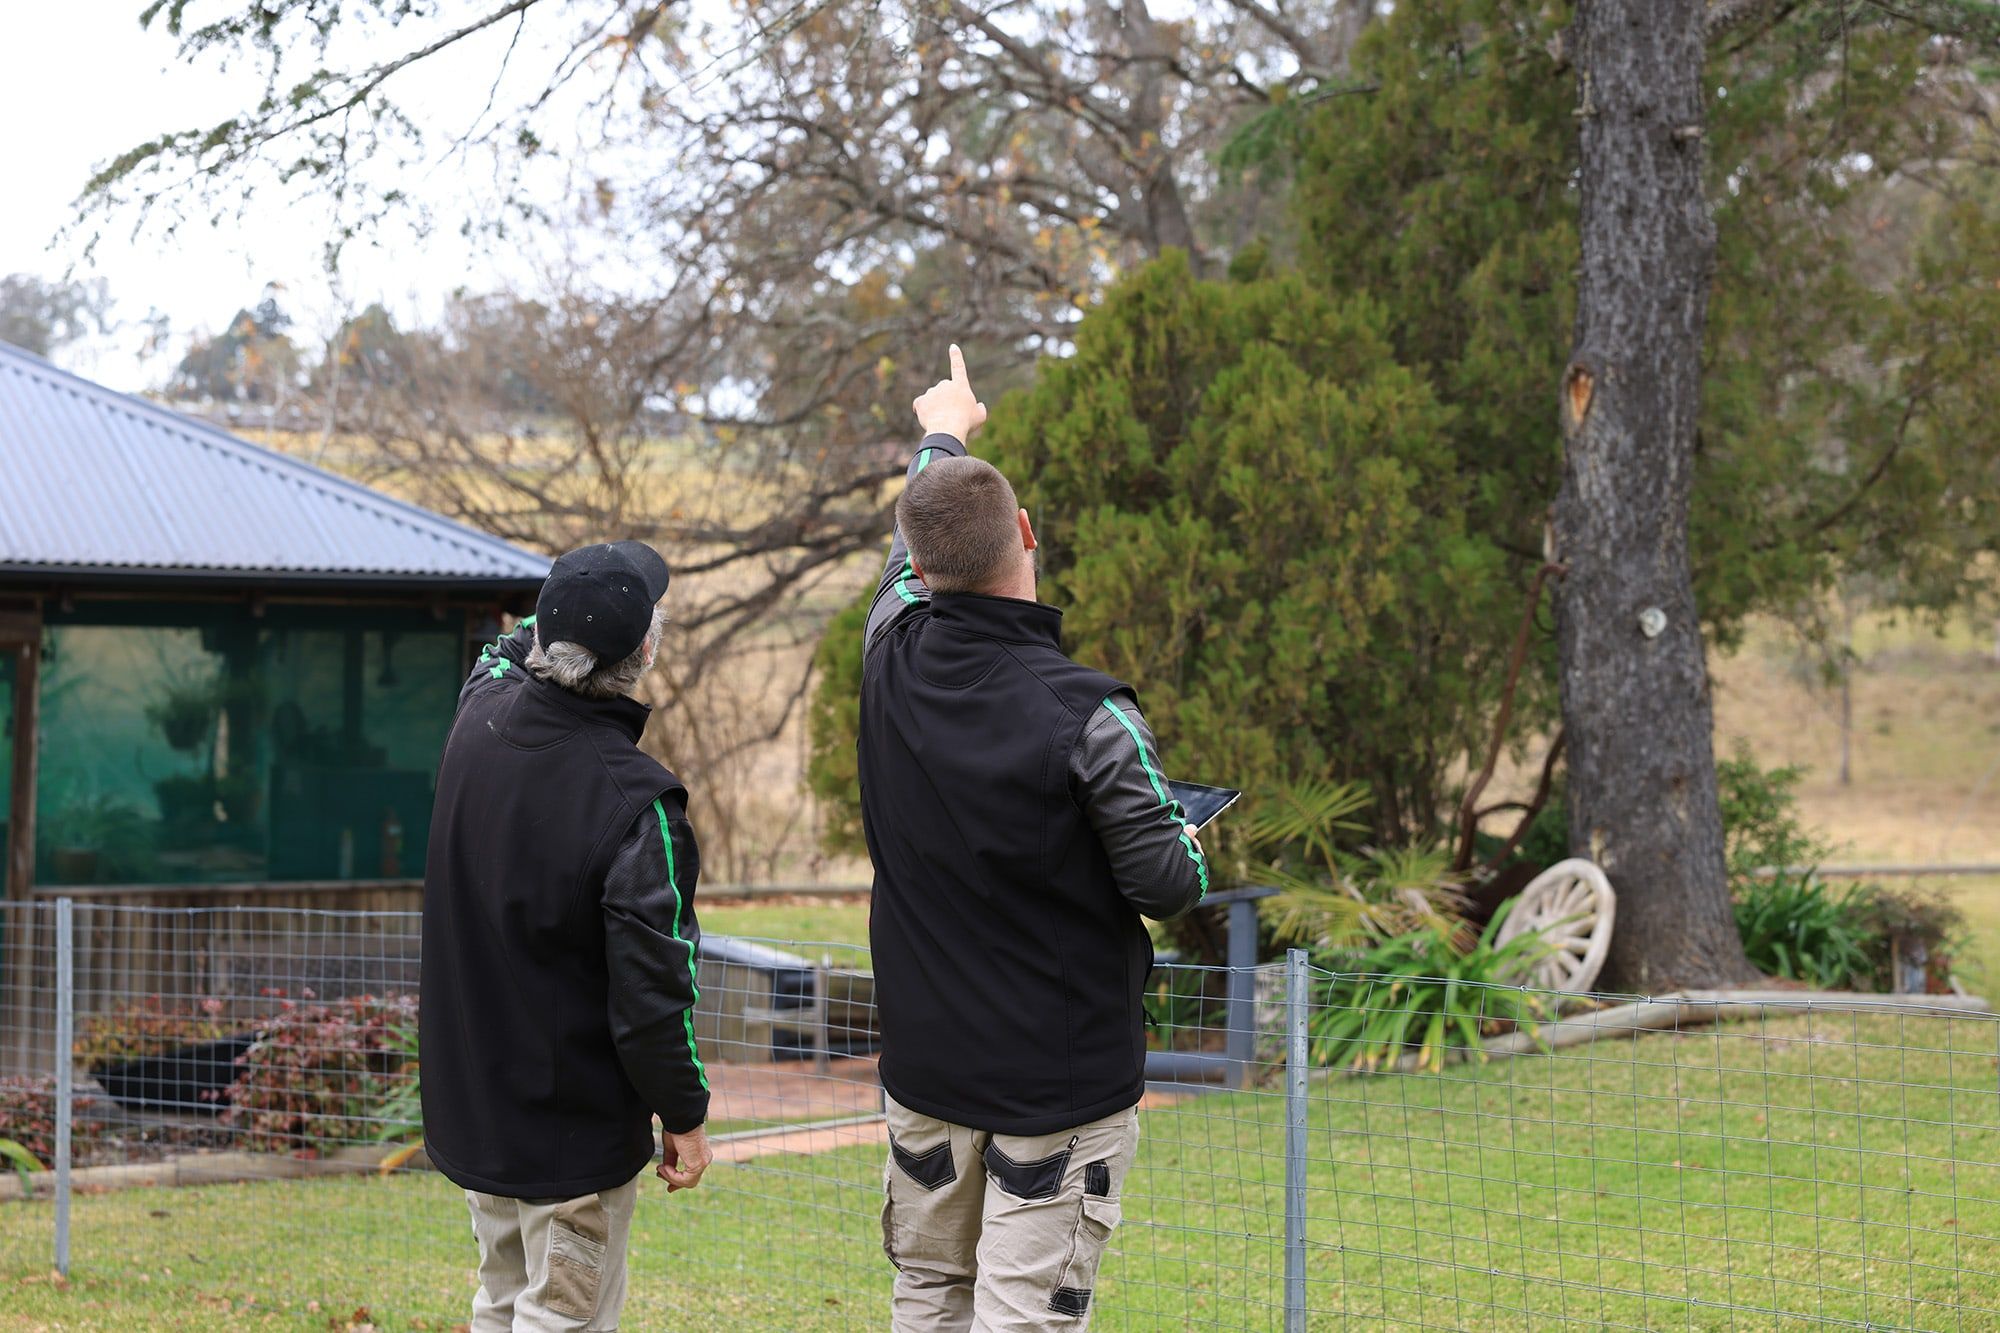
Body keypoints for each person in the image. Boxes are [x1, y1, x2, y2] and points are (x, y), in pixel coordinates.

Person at [859, 346, 1211, 1330]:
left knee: (928, 1292)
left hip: (926, 1068)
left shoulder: (888, 645)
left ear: (919, 566)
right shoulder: (1092, 715)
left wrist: (943, 432)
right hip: (1056, 1086)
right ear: (1024, 532)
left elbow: (912, 537)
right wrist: (1178, 826)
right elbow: (1169, 882)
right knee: (1020, 1315)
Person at [421, 540, 712, 1333]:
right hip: (569, 1138)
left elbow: (502, 649)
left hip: (480, 1110)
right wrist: (685, 1115)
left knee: (501, 1303)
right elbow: (655, 996)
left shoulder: (479, 711)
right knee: (560, 1319)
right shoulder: (638, 805)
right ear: (644, 654)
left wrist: (563, 607)